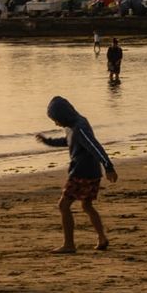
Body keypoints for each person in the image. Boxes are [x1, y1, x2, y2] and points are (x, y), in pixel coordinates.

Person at [36, 96, 118, 254]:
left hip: (82, 173)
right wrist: (48, 142)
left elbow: (94, 146)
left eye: (56, 120)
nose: (56, 123)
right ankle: (102, 238)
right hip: (91, 171)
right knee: (87, 205)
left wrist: (108, 166)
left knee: (63, 205)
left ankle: (69, 244)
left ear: (64, 115)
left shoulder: (80, 127)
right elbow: (68, 141)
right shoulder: (73, 124)